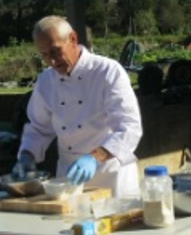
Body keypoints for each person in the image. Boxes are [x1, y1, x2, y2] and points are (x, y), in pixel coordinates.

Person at [17, 15, 143, 197]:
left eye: (55, 51)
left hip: (111, 176)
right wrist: (26, 156)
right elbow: (39, 128)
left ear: (73, 39)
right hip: (68, 179)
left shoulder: (107, 71)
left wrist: (93, 158)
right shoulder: (46, 81)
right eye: (44, 55)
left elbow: (129, 128)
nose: (52, 61)